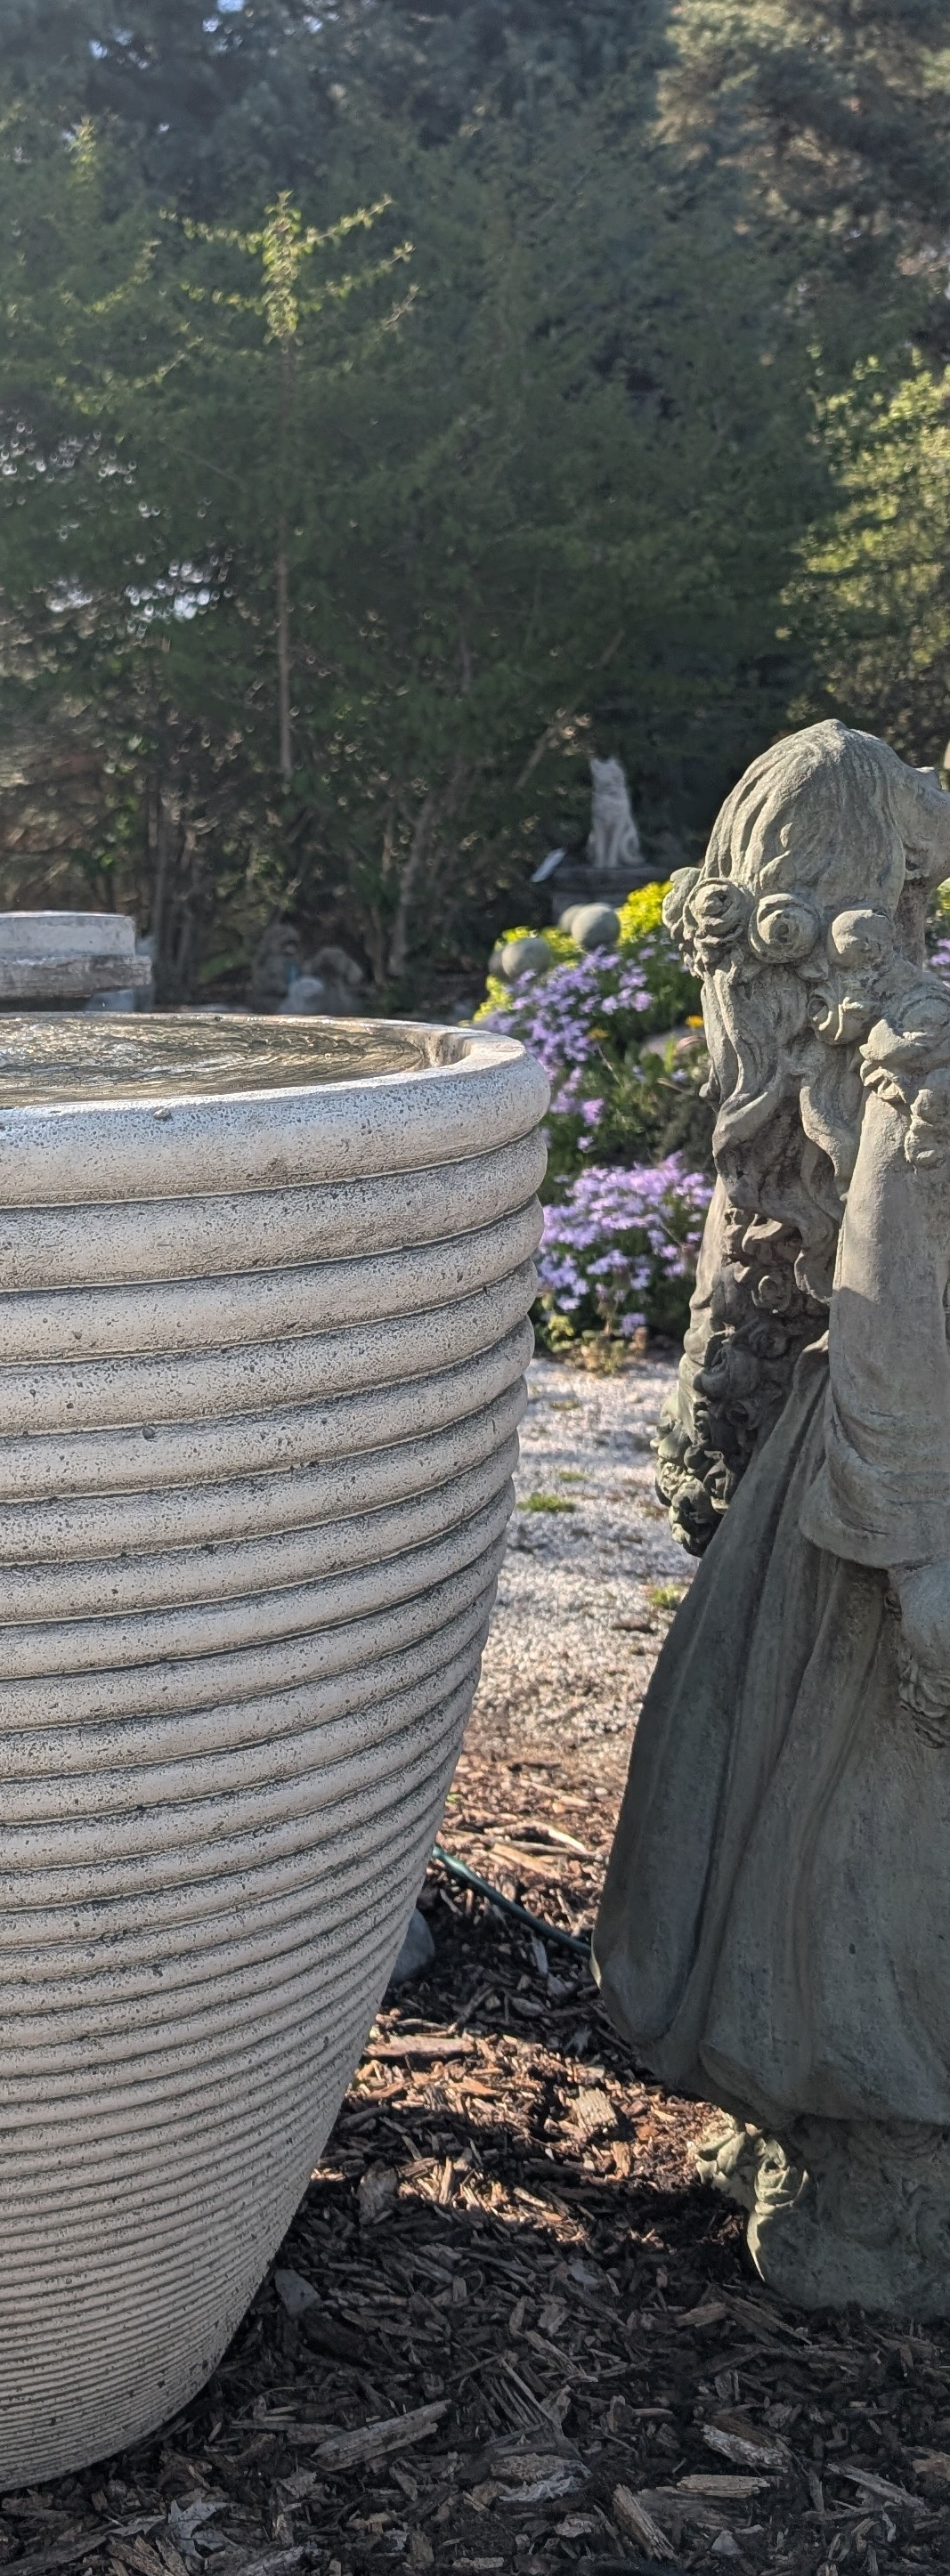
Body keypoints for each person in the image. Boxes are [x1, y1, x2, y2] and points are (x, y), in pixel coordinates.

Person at [595, 720, 950, 2314]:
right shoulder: (881, 1041)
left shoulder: (905, 1055)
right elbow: (820, 1275)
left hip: (897, 1505)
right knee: (784, 1822)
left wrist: (909, 1552)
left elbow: (888, 1322)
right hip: (864, 1479)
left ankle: (882, 2174)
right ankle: (824, 2136)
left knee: (845, 1862)